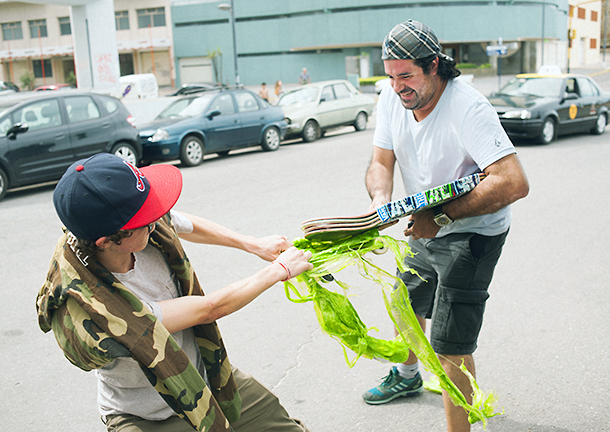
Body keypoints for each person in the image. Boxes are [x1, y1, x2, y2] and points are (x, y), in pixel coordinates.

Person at [36, 153, 313, 432]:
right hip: (147, 416)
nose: (155, 218)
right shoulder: (98, 307)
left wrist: (251, 243)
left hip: (205, 380)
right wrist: (279, 270)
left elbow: (181, 222)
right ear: (107, 241)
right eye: (145, 219)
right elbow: (210, 308)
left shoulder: (136, 227)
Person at [361, 20, 529, 432]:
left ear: (434, 65)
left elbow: (513, 182)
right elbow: (381, 162)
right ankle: (407, 375)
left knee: (450, 347)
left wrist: (440, 217)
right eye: (390, 76)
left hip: (472, 233)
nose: (398, 86)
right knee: (405, 305)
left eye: (406, 76)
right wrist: (380, 200)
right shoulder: (391, 97)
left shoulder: (468, 108)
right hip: (425, 224)